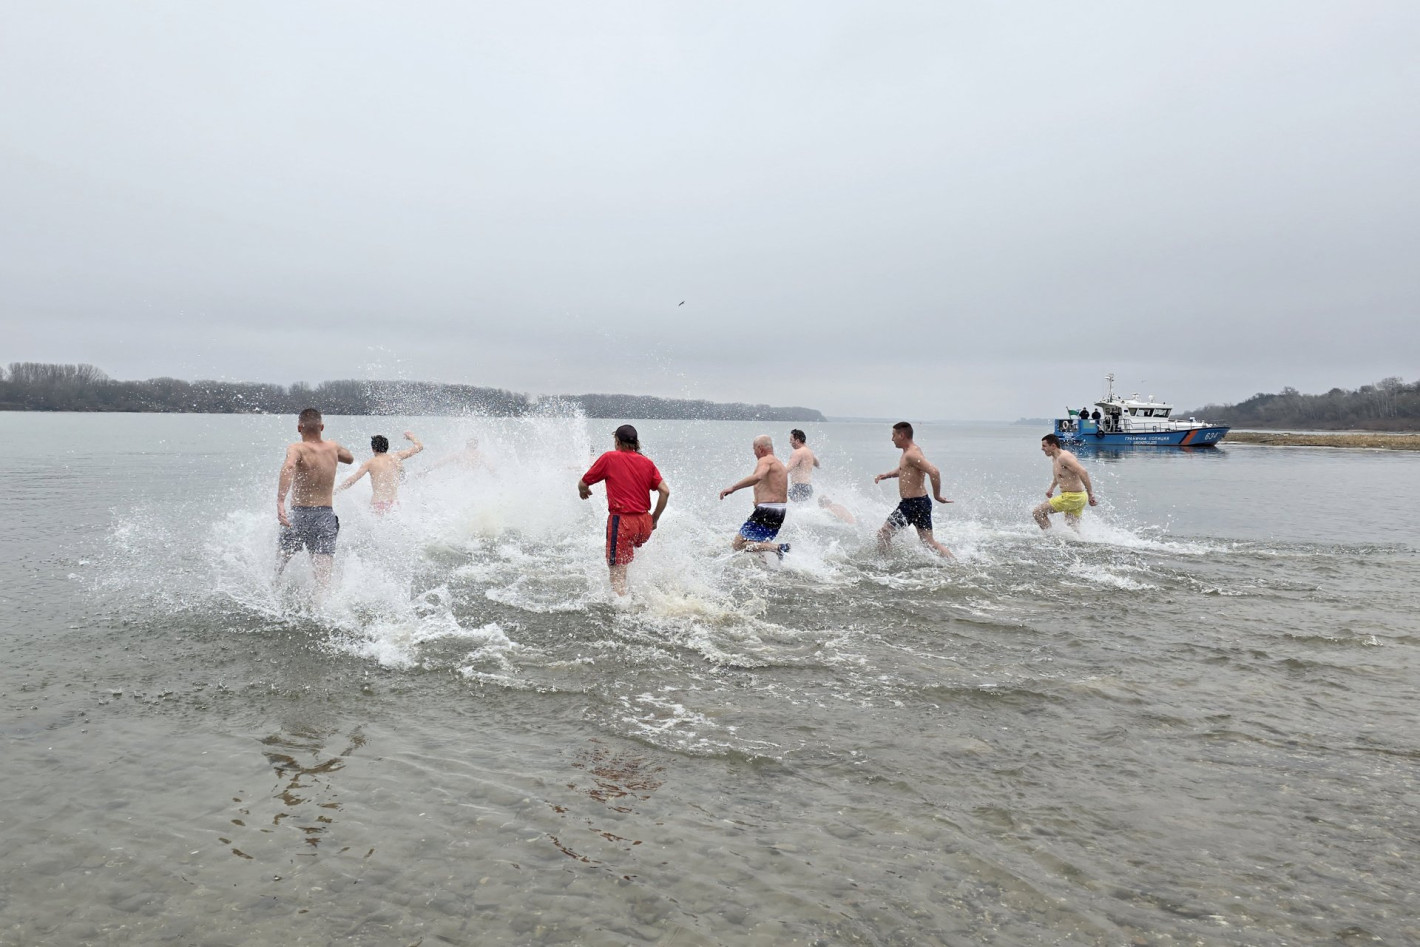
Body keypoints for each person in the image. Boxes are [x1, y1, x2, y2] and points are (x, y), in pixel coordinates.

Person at [578, 424, 670, 596]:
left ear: (617, 441)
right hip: (644, 523)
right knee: (626, 560)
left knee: (616, 571)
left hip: (622, 523)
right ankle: (639, 594)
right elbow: (665, 491)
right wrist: (655, 519)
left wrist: (583, 490)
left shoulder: (610, 458)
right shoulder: (647, 462)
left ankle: (622, 609)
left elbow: (583, 483)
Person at [276, 408, 355, 592]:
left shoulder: (296, 448)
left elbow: (288, 466)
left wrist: (280, 501)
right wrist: (332, 449)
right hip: (325, 518)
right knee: (323, 580)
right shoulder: (333, 447)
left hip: (297, 516)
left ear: (299, 428)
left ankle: (274, 602)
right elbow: (350, 459)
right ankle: (322, 614)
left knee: (279, 569)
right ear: (322, 426)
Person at [874, 421, 953, 557]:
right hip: (920, 502)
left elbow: (934, 472)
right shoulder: (910, 452)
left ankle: (883, 564)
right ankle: (954, 563)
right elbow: (905, 471)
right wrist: (887, 475)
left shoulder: (911, 454)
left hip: (912, 504)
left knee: (883, 534)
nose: (892, 439)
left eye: (893, 435)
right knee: (928, 542)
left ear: (902, 435)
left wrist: (937, 496)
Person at [719, 434, 791, 558]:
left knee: (738, 544)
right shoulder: (779, 465)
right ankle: (771, 566)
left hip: (767, 510)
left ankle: (779, 548)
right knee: (760, 543)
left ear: (760, 448)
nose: (754, 453)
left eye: (754, 450)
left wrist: (733, 488)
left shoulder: (765, 460)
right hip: (779, 511)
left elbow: (758, 477)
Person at [336, 431, 423, 514]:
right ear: (387, 447)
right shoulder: (396, 456)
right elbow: (419, 447)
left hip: (377, 505)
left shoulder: (370, 463)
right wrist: (411, 436)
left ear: (373, 449)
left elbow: (353, 479)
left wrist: (336, 491)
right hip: (394, 505)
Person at [1033, 433, 1098, 530]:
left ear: (1053, 446)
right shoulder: (1055, 458)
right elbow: (1058, 475)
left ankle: (1050, 538)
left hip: (1071, 497)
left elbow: (1083, 472)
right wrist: (1051, 489)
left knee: (1038, 512)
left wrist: (1091, 494)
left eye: (1044, 446)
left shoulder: (1064, 457)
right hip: (1077, 497)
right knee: (1072, 529)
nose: (1042, 448)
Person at [785, 429, 820, 503]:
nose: (790, 442)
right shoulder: (809, 452)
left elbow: (787, 470)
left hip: (799, 487)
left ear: (797, 441)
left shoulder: (798, 452)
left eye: (791, 440)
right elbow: (818, 465)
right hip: (808, 487)